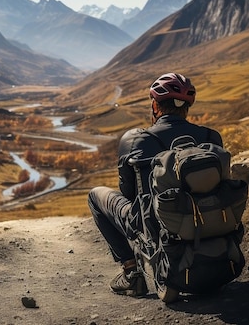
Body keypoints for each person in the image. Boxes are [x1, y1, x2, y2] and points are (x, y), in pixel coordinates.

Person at [87, 72, 223, 296]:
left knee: (95, 196)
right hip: (206, 220)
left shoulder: (135, 139)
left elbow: (127, 193)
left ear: (155, 105)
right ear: (186, 107)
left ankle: (131, 273)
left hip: (153, 226)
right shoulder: (211, 137)